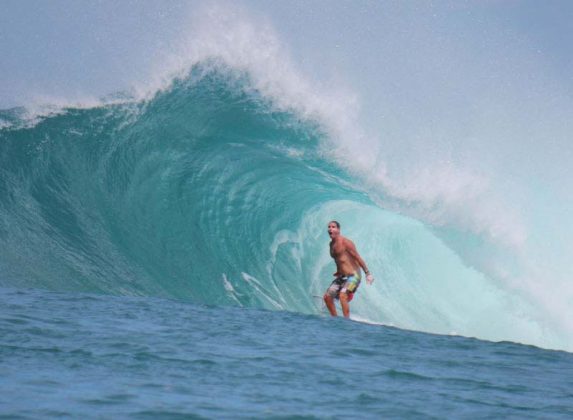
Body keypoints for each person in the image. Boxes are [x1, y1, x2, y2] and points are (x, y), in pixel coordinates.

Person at [323, 220, 374, 318]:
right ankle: (335, 320)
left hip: (354, 276)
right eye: (329, 227)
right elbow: (338, 260)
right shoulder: (331, 245)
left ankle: (346, 322)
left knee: (343, 295)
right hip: (342, 277)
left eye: (333, 227)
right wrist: (338, 271)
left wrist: (367, 273)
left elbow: (357, 257)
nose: (330, 229)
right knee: (327, 297)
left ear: (338, 229)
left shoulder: (346, 242)